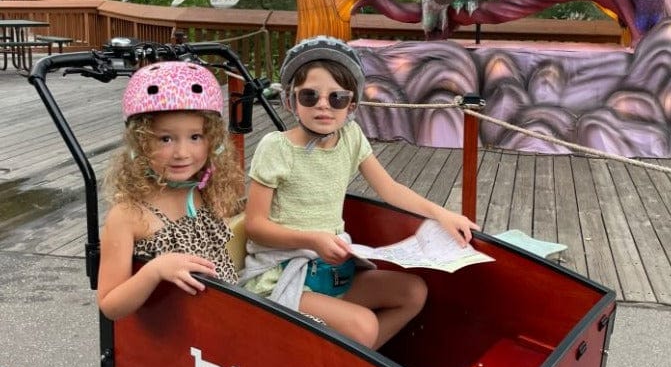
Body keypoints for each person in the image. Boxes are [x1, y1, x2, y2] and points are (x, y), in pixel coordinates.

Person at [240, 36, 476, 349]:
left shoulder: (350, 136)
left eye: (337, 98)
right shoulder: (276, 148)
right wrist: (312, 239)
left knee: (413, 292)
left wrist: (441, 213)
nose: (323, 105)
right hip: (286, 274)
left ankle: (349, 363)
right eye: (310, 96)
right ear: (291, 101)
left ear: (351, 105)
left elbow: (389, 188)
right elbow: (256, 225)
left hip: (334, 269)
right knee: (364, 327)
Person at [97, 60, 244, 320]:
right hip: (181, 339)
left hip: (224, 316)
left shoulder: (205, 190)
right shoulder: (128, 215)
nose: (182, 153)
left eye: (195, 137)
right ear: (140, 142)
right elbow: (110, 305)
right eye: (165, 139)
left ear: (212, 140)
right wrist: (154, 270)